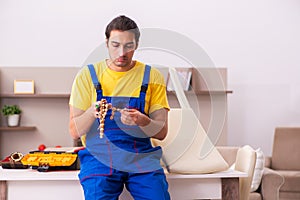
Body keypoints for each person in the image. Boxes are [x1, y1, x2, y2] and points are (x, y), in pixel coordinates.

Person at [69, 15, 170, 200]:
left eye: (128, 46)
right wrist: (92, 112)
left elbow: (162, 131)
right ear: (107, 43)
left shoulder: (151, 76)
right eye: (115, 45)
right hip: (99, 158)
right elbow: (74, 131)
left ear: (137, 45)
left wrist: (143, 121)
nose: (121, 53)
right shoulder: (88, 76)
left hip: (140, 156)